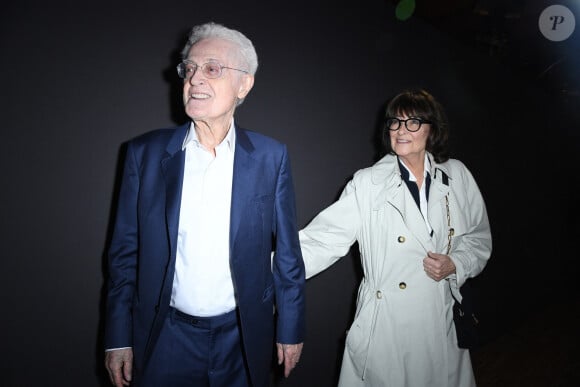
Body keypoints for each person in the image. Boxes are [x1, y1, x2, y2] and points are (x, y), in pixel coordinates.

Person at [104, 22, 305, 387]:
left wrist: (290, 327)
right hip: (164, 337)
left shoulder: (270, 157)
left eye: (212, 68)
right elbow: (124, 255)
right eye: (190, 68)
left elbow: (289, 256)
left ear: (244, 84)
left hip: (242, 341)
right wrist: (118, 336)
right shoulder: (144, 155)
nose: (195, 79)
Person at [299, 89, 492, 386]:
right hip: (387, 329)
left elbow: (478, 238)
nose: (401, 130)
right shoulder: (368, 183)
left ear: (432, 129)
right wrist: (262, 272)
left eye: (413, 122)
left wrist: (456, 263)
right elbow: (323, 239)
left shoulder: (457, 176)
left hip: (439, 325)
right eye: (395, 122)